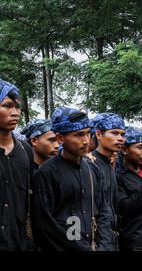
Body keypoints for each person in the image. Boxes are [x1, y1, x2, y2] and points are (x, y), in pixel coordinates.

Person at [31, 107, 113, 251]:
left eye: (88, 134)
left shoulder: (92, 169)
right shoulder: (47, 173)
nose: (86, 141)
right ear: (60, 138)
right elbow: (45, 223)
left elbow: (103, 210)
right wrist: (79, 247)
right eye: (78, 135)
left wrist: (105, 245)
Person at [0, 79, 34, 251]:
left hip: (18, 242)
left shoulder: (25, 149)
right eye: (7, 106)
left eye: (17, 107)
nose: (15, 113)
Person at [90, 113, 126, 251]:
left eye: (122, 134)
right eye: (114, 133)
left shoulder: (109, 164)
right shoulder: (90, 164)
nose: (120, 138)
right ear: (99, 135)